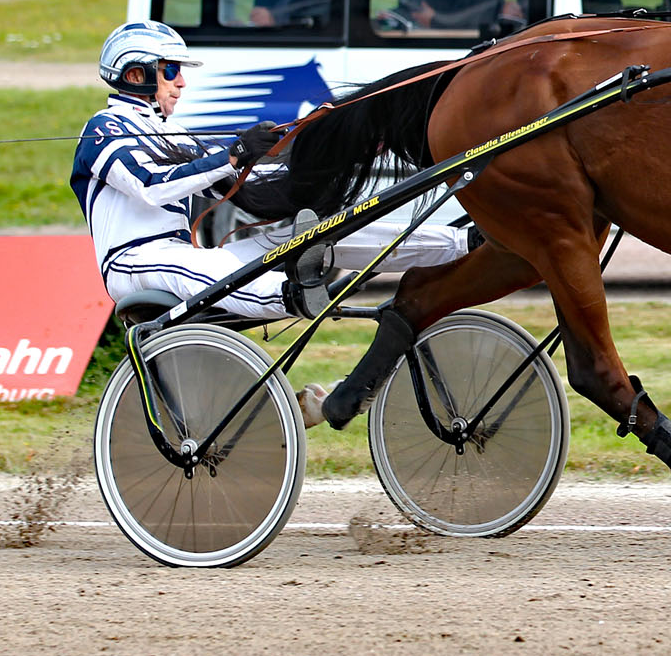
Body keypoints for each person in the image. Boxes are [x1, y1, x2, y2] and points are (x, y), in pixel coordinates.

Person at [71, 21, 475, 426]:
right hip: (134, 263)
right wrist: (233, 154)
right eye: (171, 71)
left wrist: (340, 155)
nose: (181, 83)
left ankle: (460, 243)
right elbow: (149, 185)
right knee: (212, 265)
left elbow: (251, 186)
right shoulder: (104, 130)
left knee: (312, 234)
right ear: (136, 75)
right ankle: (294, 293)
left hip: (181, 257)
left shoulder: (172, 133)